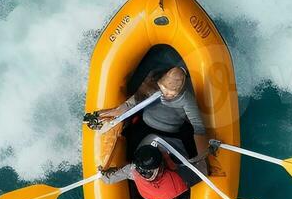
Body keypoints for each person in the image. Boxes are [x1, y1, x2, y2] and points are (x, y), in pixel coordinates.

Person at [86, 67, 215, 172]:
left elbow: (198, 127)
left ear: (180, 91)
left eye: (172, 93)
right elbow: (130, 104)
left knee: (172, 160)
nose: (166, 94)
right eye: (164, 89)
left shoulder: (187, 99)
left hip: (169, 133)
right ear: (161, 82)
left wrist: (202, 158)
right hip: (144, 125)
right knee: (131, 154)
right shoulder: (153, 85)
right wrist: (105, 114)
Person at [100, 140, 197, 199]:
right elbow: (178, 168)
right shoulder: (176, 178)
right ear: (161, 165)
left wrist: (103, 172)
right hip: (176, 194)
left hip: (151, 197)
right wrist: (166, 157)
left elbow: (107, 180)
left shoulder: (132, 171)